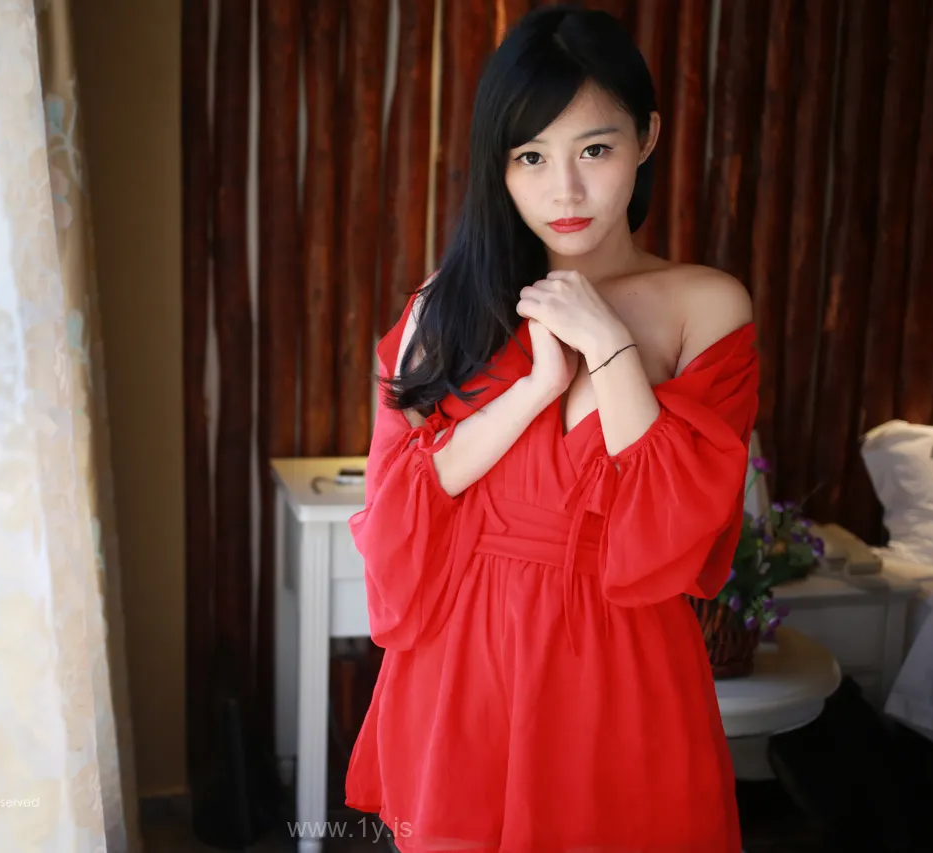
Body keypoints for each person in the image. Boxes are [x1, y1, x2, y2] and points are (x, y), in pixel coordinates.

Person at [345, 6, 758, 853]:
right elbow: (402, 502)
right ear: (498, 165)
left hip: (618, 664)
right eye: (530, 157)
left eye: (593, 150)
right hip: (462, 665)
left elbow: (683, 522)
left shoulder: (705, 304)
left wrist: (608, 345)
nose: (564, 192)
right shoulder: (447, 303)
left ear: (646, 138)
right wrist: (537, 386)